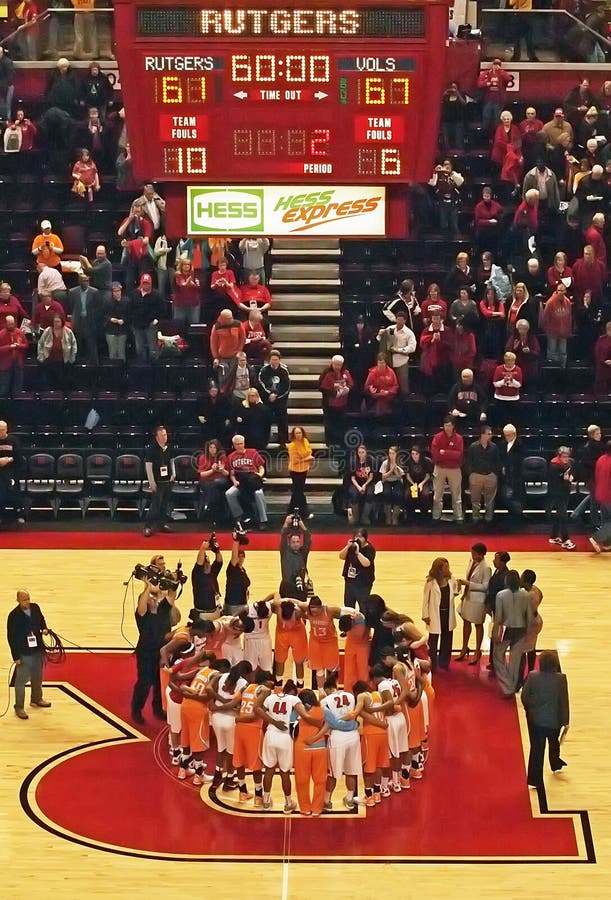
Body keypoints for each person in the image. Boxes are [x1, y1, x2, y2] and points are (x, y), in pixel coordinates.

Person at [131, 568, 181, 723]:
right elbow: (141, 606)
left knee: (160, 681)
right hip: (146, 652)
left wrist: (175, 580)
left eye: (154, 598)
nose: (153, 599)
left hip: (162, 651)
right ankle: (136, 710)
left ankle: (158, 708)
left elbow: (172, 595)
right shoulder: (143, 615)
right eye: (149, 598)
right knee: (144, 682)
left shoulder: (163, 609)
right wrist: (147, 587)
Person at [260, 680, 314, 812]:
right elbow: (306, 714)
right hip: (285, 737)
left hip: (271, 734)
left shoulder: (271, 697)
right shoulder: (295, 699)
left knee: (269, 770)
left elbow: (259, 710)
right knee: (285, 773)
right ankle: (288, 803)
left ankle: (266, 801)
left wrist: (273, 721)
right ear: (295, 692)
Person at [522, 651, 569, 787]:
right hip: (554, 721)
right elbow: (563, 701)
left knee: (537, 749)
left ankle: (534, 779)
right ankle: (555, 763)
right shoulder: (561, 679)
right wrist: (565, 721)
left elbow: (525, 696)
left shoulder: (532, 676)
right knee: (554, 743)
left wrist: (530, 710)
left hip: (535, 721)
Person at [7, 590, 52, 720]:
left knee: (38, 676)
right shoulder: (13, 616)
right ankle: (19, 707)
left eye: (28, 599)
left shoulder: (35, 607)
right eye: (24, 600)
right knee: (21, 681)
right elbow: (11, 637)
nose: (27, 602)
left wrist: (44, 628)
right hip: (24, 652)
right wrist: (15, 657)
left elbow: (41, 619)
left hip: (37, 649)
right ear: (18, 600)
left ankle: (36, 699)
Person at [493, 570, 534, 698]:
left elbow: (498, 617)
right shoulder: (526, 595)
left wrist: (495, 631)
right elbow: (530, 616)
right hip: (521, 629)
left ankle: (507, 686)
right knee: (515, 661)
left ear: (506, 581)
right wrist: (528, 632)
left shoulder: (500, 595)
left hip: (506, 629)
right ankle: (511, 686)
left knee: (497, 656)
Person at [456, 543, 491, 666]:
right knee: (466, 622)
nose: (472, 555)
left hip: (478, 601)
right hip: (468, 597)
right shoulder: (472, 561)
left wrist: (468, 584)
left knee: (478, 625)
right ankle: (464, 647)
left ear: (481, 554)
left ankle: (477, 651)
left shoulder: (486, 567)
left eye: (474, 553)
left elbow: (486, 587)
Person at [422, 557, 458, 672]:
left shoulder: (451, 579)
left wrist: (460, 588)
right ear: (439, 569)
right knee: (433, 640)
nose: (448, 569)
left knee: (447, 639)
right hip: (435, 614)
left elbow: (455, 592)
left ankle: (444, 663)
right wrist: (425, 615)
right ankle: (432, 664)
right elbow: (425, 600)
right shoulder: (430, 582)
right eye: (445, 567)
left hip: (448, 613)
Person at [225, 434, 268, 529]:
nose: (239, 446)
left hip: (253, 480)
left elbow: (261, 467)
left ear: (244, 443)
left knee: (258, 493)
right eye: (237, 444)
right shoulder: (231, 457)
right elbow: (231, 474)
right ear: (234, 445)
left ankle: (263, 520)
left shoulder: (253, 452)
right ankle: (239, 517)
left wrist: (259, 475)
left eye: (241, 443)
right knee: (229, 493)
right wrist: (234, 481)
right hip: (241, 482)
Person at [143, 425, 175, 538]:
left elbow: (172, 461)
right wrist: (151, 482)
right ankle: (148, 526)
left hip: (167, 480)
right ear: (156, 437)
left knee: (164, 505)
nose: (164, 437)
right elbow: (148, 466)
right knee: (155, 505)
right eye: (162, 435)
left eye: (165, 435)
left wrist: (173, 474)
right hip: (157, 481)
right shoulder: (152, 449)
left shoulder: (168, 447)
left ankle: (162, 524)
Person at [431, 416, 464, 523]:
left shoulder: (459, 438)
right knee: (437, 494)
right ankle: (436, 516)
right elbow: (435, 455)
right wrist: (450, 455)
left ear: (453, 426)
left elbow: (458, 455)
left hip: (454, 469)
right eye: (446, 425)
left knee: (456, 494)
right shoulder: (437, 437)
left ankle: (458, 516)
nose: (447, 428)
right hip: (439, 468)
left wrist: (444, 452)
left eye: (449, 425)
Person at [377, 311, 416, 398]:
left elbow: (412, 347)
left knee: (403, 387)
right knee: (389, 386)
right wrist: (380, 335)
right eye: (397, 320)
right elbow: (380, 340)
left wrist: (399, 350)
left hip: (401, 362)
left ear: (405, 320)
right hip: (389, 362)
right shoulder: (390, 328)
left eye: (401, 320)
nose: (399, 322)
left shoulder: (409, 333)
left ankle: (404, 406)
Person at [273, 591, 309, 688]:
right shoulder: (277, 606)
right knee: (280, 660)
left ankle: (300, 686)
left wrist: (296, 602)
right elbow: (275, 593)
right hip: (282, 634)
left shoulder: (298, 611)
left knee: (299, 661)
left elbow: (309, 612)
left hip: (297, 634)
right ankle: (278, 686)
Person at [467, 425, 501, 524]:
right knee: (475, 499)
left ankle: (489, 518)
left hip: (490, 476)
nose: (491, 435)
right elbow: (469, 461)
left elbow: (497, 462)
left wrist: (494, 474)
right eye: (489, 434)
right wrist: (471, 474)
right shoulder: (473, 447)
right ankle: (475, 517)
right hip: (476, 476)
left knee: (490, 500)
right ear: (482, 434)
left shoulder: (494, 447)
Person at [318, 354, 354, 447]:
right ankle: (330, 442)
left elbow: (351, 384)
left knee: (341, 424)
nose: (337, 367)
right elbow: (321, 388)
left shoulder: (345, 372)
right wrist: (335, 393)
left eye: (339, 365)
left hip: (342, 404)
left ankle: (340, 442)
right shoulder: (326, 373)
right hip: (329, 405)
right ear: (332, 363)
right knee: (330, 424)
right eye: (335, 364)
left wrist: (347, 389)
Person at [258, 350, 291, 446]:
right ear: (269, 360)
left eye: (276, 360)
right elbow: (261, 384)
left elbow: (286, 386)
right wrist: (269, 395)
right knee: (265, 420)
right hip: (267, 400)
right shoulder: (264, 370)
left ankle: (283, 442)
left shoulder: (284, 371)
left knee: (283, 421)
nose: (274, 361)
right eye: (272, 359)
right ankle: (264, 441)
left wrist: (276, 395)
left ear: (279, 360)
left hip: (280, 401)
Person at [339, 528, 376, 612]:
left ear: (365, 538)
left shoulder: (370, 549)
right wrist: (347, 546)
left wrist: (358, 553)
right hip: (350, 581)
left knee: (363, 606)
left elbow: (367, 563)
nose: (358, 538)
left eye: (360, 537)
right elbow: (341, 556)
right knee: (348, 605)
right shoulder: (352, 546)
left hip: (363, 582)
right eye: (356, 536)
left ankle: (363, 623)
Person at [37, 314, 77, 390]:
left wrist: (72, 358)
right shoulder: (48, 331)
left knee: (61, 382)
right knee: (48, 382)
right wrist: (41, 356)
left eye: (58, 322)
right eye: (55, 322)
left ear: (62, 322)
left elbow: (74, 345)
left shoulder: (68, 331)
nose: (56, 323)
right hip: (49, 361)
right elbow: (40, 343)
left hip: (62, 362)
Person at [130, 273, 164, 363]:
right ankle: (142, 367)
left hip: (150, 325)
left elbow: (162, 309)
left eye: (147, 283)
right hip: (137, 325)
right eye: (144, 283)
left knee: (153, 349)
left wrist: (156, 320)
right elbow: (130, 308)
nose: (146, 285)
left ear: (151, 284)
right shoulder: (134, 294)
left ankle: (154, 369)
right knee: (139, 349)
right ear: (141, 283)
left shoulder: (156, 295)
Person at [547, 446, 576, 550]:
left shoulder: (569, 462)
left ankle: (554, 536)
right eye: (564, 457)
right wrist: (565, 480)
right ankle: (565, 540)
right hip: (556, 493)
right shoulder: (554, 465)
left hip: (565, 491)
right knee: (563, 515)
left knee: (559, 514)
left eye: (567, 456)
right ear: (559, 456)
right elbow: (555, 483)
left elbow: (571, 472)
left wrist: (571, 477)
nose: (566, 458)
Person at [210, 309, 245, 393]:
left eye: (231, 317)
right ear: (222, 318)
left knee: (234, 372)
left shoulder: (238, 324)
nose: (231, 319)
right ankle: (223, 390)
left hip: (235, 356)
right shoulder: (216, 327)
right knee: (223, 371)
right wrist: (216, 357)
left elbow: (242, 339)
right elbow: (213, 343)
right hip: (222, 357)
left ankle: (232, 391)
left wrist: (239, 351)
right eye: (228, 318)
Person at [197, 439, 230, 523]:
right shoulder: (203, 457)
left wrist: (221, 470)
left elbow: (227, 474)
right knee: (214, 490)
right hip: (207, 481)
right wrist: (212, 470)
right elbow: (201, 474)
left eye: (214, 448)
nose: (212, 449)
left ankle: (208, 507)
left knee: (215, 484)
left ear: (218, 449)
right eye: (210, 447)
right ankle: (218, 515)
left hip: (221, 481)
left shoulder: (222, 457)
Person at [280, 515, 312, 602]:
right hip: (287, 587)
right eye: (293, 542)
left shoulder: (303, 553)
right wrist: (286, 523)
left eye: (298, 542)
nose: (296, 544)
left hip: (299, 587)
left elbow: (308, 541)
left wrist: (302, 525)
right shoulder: (285, 552)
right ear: (289, 543)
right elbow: (283, 537)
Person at [477, 58, 513, 134]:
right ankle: (485, 137)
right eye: (495, 64)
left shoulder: (502, 74)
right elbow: (479, 84)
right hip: (488, 100)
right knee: (486, 119)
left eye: (498, 65)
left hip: (499, 101)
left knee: (497, 121)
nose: (496, 66)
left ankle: (496, 136)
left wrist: (500, 71)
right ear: (492, 65)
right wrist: (488, 82)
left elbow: (509, 79)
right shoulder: (486, 73)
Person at [520, 568, 543, 682]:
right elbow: (542, 596)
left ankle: (523, 676)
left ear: (526, 581)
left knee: (523, 649)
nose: (520, 578)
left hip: (529, 624)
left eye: (522, 577)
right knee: (531, 648)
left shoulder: (527, 595)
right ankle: (530, 671)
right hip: (536, 619)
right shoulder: (535, 589)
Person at [192, 536, 223, 620]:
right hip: (203, 614)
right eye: (205, 562)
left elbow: (219, 562)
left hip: (215, 611)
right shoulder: (197, 575)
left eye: (208, 562)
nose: (208, 564)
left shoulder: (212, 573)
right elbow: (199, 563)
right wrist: (202, 549)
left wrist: (217, 551)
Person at [0, 421, 25, 527]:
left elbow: (19, 457)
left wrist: (9, 459)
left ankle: (19, 514)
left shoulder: (13, 440)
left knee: (11, 487)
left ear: (6, 430)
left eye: (2, 430)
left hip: (11, 469)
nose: (0, 432)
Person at [542, 283, 572, 368]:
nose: (560, 292)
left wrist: (569, 330)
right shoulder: (550, 302)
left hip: (564, 332)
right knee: (552, 352)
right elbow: (545, 317)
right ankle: (553, 369)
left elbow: (569, 317)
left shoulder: (567, 302)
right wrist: (547, 329)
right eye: (559, 290)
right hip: (552, 332)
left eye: (562, 290)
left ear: (565, 291)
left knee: (563, 352)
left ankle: (563, 368)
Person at [589, 441, 611, 553]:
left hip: (600, 494)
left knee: (607, 520)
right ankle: (596, 538)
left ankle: (607, 544)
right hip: (609, 495)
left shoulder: (601, 459)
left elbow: (596, 476)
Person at [345, 443, 375, 525]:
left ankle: (365, 517)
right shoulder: (353, 461)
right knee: (353, 493)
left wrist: (364, 485)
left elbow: (371, 476)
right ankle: (356, 517)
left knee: (370, 494)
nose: (361, 454)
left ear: (366, 453)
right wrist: (359, 487)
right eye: (359, 452)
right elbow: (352, 478)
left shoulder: (370, 460)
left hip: (368, 482)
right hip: (356, 483)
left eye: (362, 452)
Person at [499, 424, 524, 520]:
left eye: (509, 435)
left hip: (516, 475)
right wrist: (502, 466)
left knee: (516, 497)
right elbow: (500, 457)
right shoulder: (502, 444)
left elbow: (518, 459)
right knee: (505, 496)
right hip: (505, 477)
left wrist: (507, 466)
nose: (507, 437)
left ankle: (517, 516)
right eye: (505, 435)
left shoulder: (520, 445)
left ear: (514, 434)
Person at [0, 316, 28, 399]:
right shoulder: (1, 334)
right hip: (5, 365)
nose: (11, 326)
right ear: (5, 324)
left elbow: (26, 345)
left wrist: (19, 346)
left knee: (17, 386)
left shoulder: (20, 332)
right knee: (4, 387)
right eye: (9, 324)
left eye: (13, 324)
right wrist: (9, 347)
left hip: (18, 363)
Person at [378, 446, 405, 526]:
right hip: (387, 481)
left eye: (393, 453)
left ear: (396, 454)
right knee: (386, 493)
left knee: (398, 494)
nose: (391, 455)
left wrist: (395, 469)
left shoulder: (400, 463)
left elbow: (400, 477)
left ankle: (395, 516)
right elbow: (383, 476)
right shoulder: (385, 463)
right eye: (390, 453)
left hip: (397, 481)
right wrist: (390, 471)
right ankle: (388, 516)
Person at [404, 445, 433, 517]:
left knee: (425, 495)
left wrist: (422, 484)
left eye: (416, 454)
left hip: (424, 481)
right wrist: (413, 484)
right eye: (413, 454)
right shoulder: (408, 461)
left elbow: (428, 475)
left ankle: (424, 514)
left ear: (420, 454)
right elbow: (407, 475)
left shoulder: (426, 461)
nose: (414, 456)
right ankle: (411, 515)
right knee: (407, 495)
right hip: (412, 482)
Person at [172, 258, 201, 327]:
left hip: (193, 304)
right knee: (179, 326)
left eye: (188, 264)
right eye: (185, 264)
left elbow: (199, 286)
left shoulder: (195, 274)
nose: (186, 266)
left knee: (193, 326)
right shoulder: (177, 275)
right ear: (181, 266)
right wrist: (186, 283)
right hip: (180, 305)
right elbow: (180, 285)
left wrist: (194, 284)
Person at [594, 321, 611, 396]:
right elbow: (597, 352)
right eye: (609, 330)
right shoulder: (602, 339)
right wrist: (604, 361)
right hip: (603, 368)